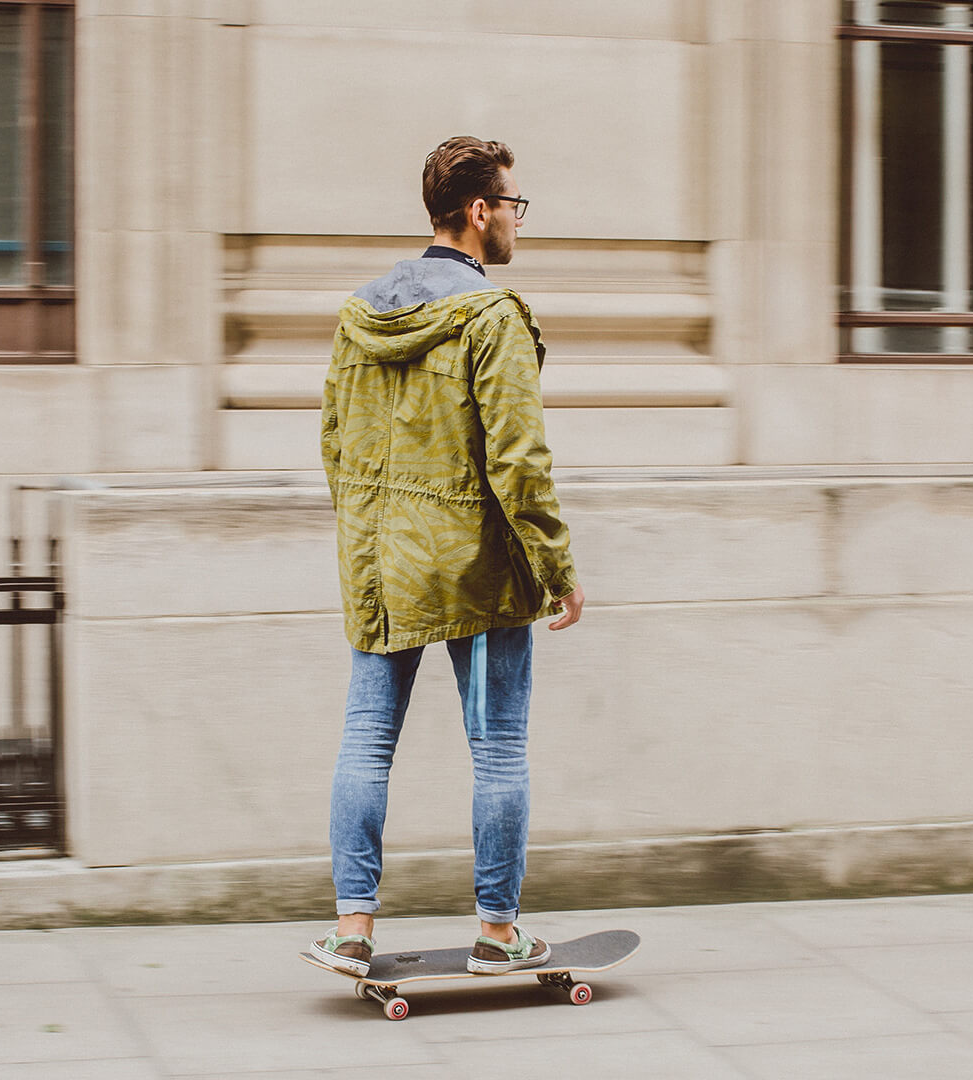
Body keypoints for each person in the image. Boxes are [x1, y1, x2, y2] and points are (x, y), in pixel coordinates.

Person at [311, 136, 585, 977]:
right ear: (478, 211)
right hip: (477, 566)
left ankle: (352, 930)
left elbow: (335, 444)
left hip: (381, 562)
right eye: (513, 205)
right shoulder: (492, 317)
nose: (517, 220)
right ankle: (498, 934)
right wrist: (557, 570)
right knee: (497, 749)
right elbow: (519, 461)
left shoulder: (361, 315)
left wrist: (372, 536)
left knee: (366, 742)